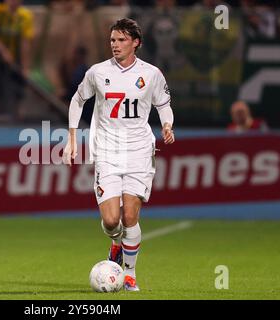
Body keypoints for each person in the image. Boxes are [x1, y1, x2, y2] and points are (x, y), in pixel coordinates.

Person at [62, 18, 175, 291]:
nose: (115, 44)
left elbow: (164, 104)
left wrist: (168, 124)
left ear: (135, 42)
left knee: (130, 218)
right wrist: (72, 137)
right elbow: (78, 100)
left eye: (121, 40)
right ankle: (115, 244)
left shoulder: (151, 74)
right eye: (112, 40)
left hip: (138, 151)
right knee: (112, 220)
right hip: (107, 151)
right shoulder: (97, 72)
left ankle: (130, 274)